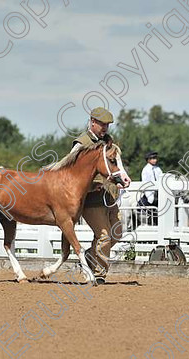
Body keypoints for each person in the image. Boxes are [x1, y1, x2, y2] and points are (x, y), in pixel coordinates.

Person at [72, 107, 122, 285]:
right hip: (91, 200)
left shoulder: (109, 143)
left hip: (109, 197)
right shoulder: (81, 143)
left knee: (116, 233)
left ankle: (90, 256)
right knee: (104, 236)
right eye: (102, 124)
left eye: (107, 125)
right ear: (92, 122)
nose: (105, 128)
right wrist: (92, 185)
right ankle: (100, 274)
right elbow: (71, 173)